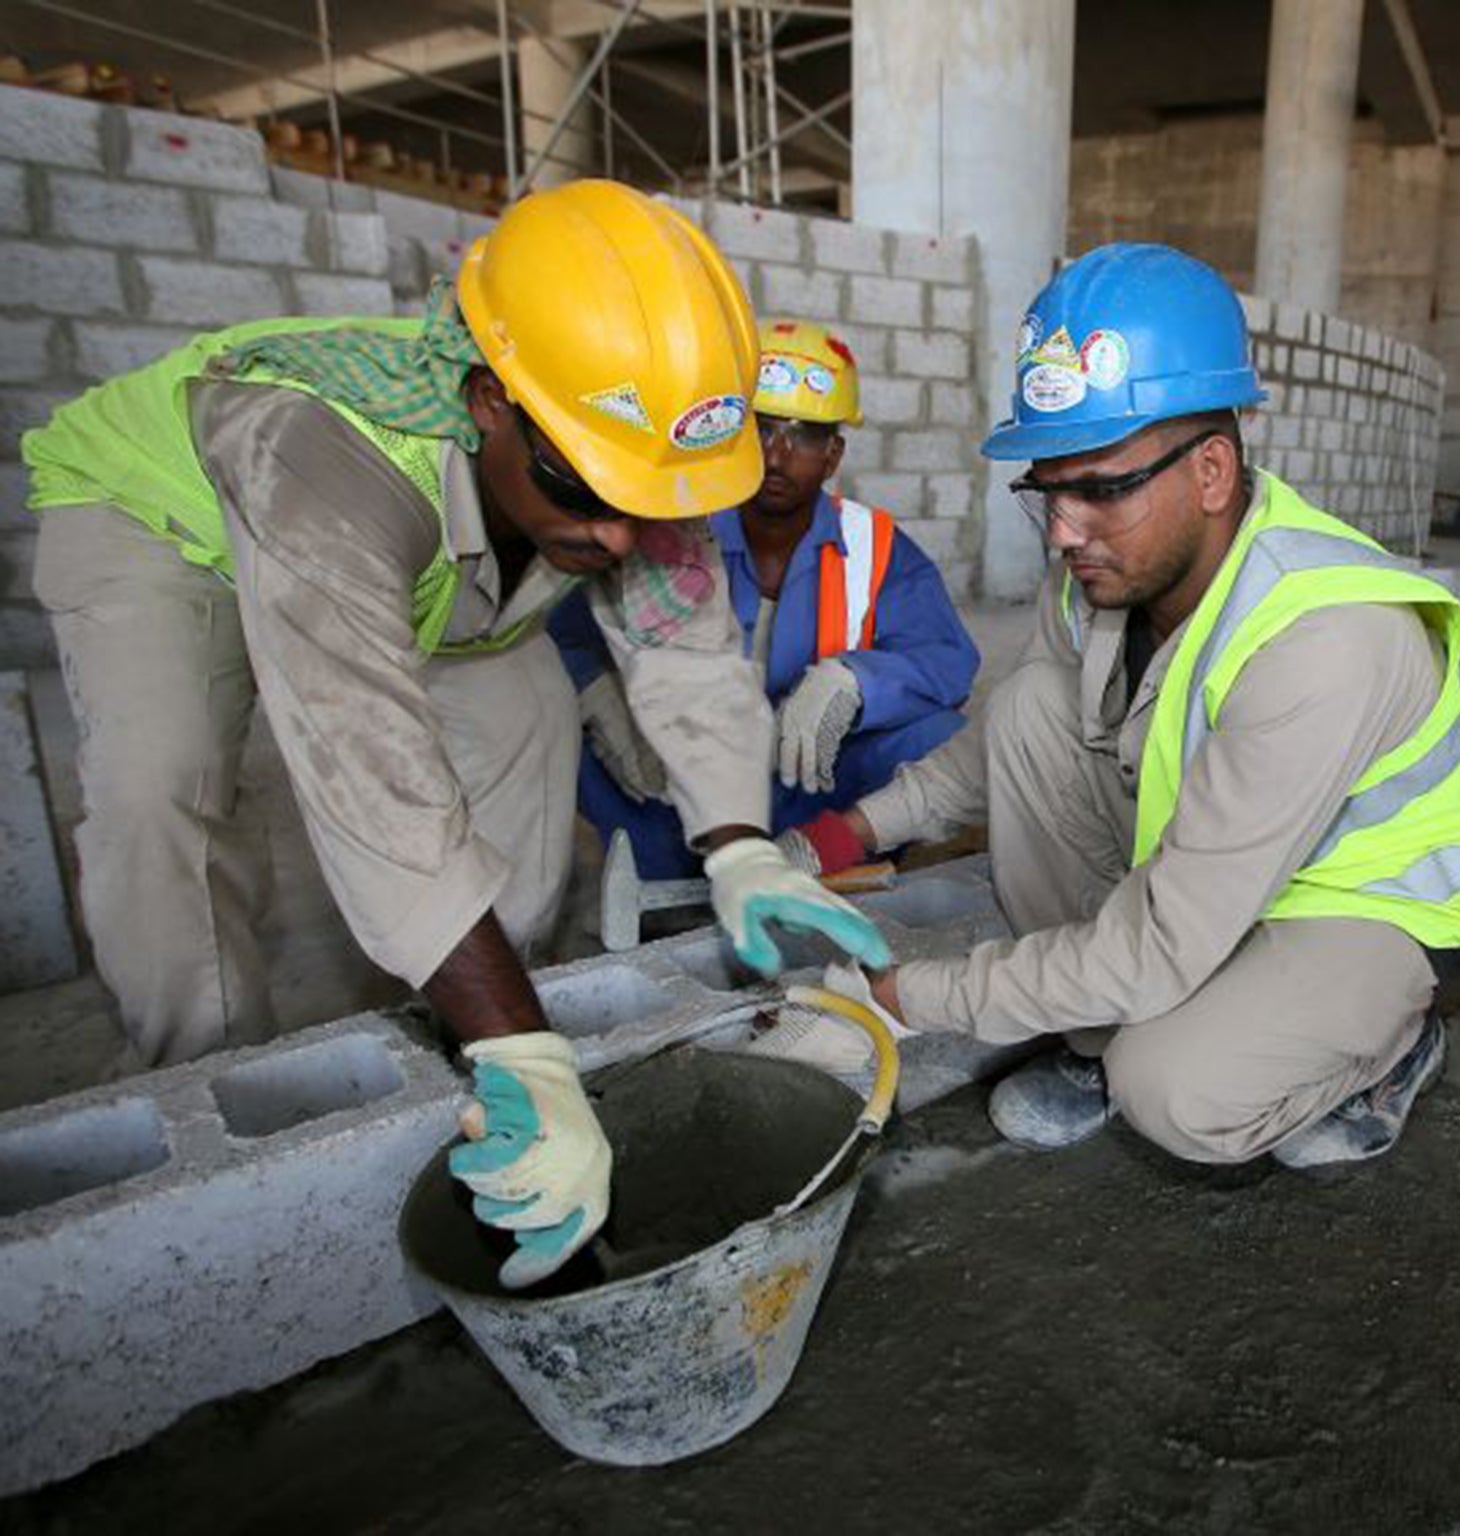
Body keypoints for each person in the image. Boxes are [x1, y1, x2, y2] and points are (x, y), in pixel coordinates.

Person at [21, 180, 888, 1287]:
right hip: (164, 523)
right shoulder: (324, 451)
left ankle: (473, 1034)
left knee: (528, 720)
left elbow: (682, 649)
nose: (621, 530)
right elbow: (362, 760)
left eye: (648, 497)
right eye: (585, 485)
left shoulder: (604, 454)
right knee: (163, 794)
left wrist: (738, 844)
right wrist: (528, 1043)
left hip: (443, 563)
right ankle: (215, 1093)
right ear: (488, 401)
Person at [768, 244, 1460, 1169]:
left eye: (1099, 489)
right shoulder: (1102, 572)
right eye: (1045, 489)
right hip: (1234, 864)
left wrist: (896, 999)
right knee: (1033, 711)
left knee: (1173, 1090)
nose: (1061, 529)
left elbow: (1163, 940)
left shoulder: (1324, 636)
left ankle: (1390, 1049)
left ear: (1211, 472)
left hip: (1367, 900)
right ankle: (1095, 1034)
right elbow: (992, 754)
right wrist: (839, 835)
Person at [549, 317, 978, 880]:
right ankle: (664, 889)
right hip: (678, 781)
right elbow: (568, 628)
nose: (776, 455)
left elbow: (948, 659)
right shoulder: (675, 527)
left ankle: (839, 853)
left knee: (938, 735)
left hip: (812, 779)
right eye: (762, 427)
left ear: (833, 454)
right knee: (555, 721)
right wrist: (599, 694)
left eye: (802, 435)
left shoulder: (874, 545)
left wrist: (857, 682)